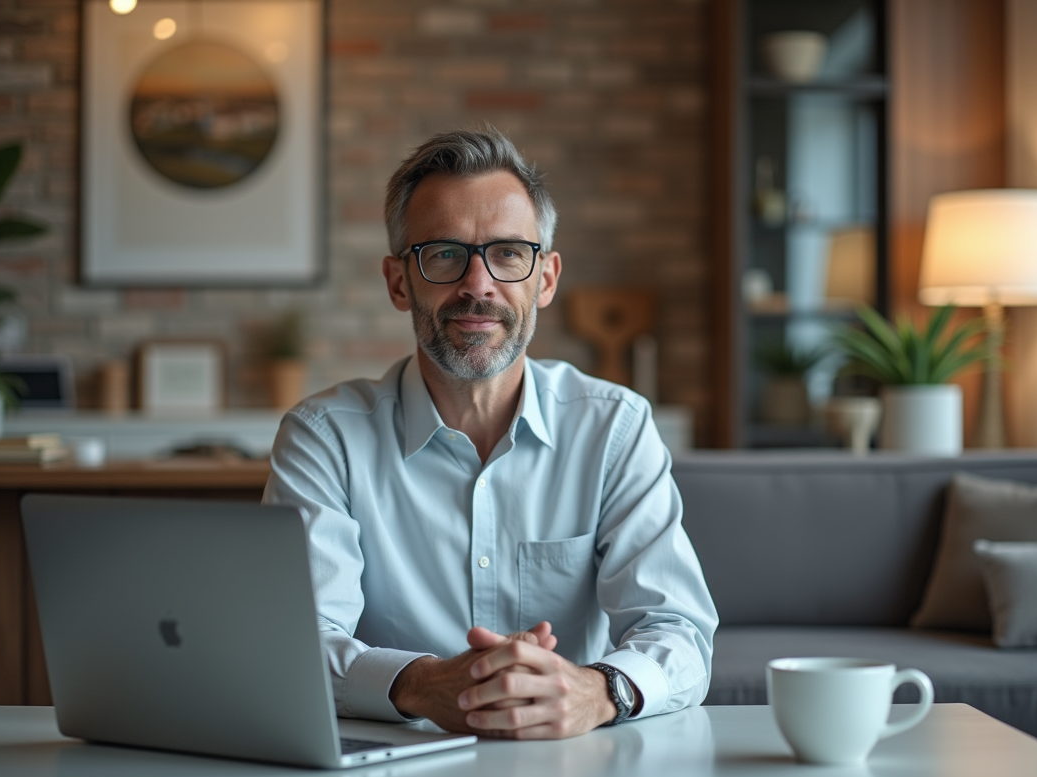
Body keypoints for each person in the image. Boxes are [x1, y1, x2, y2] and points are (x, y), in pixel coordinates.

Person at [264, 127, 717, 740]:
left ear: (546, 278)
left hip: (576, 768)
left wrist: (595, 691)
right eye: (445, 254)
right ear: (400, 281)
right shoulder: (324, 439)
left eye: (508, 253)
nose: (478, 284)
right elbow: (296, 640)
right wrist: (422, 684)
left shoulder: (615, 426)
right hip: (392, 770)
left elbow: (679, 631)